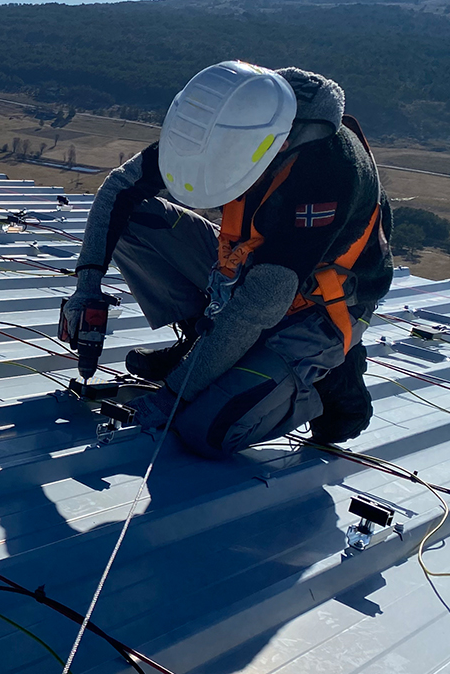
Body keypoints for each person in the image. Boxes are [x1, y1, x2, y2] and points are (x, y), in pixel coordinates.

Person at [62, 60, 393, 459]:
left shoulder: (326, 172)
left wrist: (173, 394)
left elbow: (258, 307)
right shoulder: (233, 120)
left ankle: (332, 379)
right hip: (249, 271)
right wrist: (87, 284)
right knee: (136, 217)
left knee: (205, 430)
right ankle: (201, 349)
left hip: (319, 305)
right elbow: (119, 189)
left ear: (278, 145)